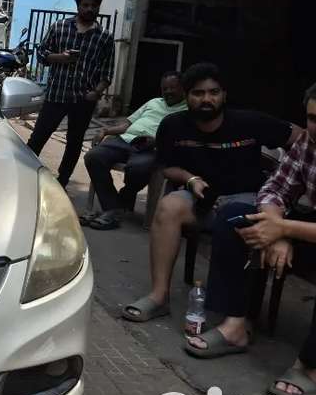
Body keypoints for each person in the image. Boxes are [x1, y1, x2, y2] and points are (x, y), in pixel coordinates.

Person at [123, 62, 303, 322]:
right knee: (169, 207)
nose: (207, 99)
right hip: (201, 199)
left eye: (213, 92)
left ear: (224, 95)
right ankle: (158, 296)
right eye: (198, 93)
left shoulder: (249, 121)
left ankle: (236, 316)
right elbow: (167, 166)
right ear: (187, 96)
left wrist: (294, 173)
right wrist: (190, 179)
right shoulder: (173, 125)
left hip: (246, 203)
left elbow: (298, 137)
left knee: (235, 215)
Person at [185, 84, 316, 395]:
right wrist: (276, 228)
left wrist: (283, 228)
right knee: (235, 217)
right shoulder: (309, 143)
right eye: (313, 118)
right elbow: (276, 187)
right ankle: (236, 326)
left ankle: (311, 367)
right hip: (304, 224)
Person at [27, 0, 115, 187]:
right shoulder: (59, 27)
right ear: (78, 5)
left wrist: (97, 92)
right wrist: (61, 58)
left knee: (74, 144)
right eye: (85, 5)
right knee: (38, 137)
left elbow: (107, 71)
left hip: (83, 99)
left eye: (94, 6)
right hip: (56, 94)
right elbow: (41, 54)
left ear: (99, 7)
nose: (90, 9)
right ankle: (26, 173)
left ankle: (63, 181)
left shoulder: (104, 37)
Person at [81, 72, 187, 230]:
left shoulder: (187, 110)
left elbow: (182, 138)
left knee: (138, 168)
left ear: (183, 88)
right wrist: (106, 131)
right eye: (165, 88)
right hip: (124, 140)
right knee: (93, 157)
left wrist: (158, 141)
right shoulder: (153, 102)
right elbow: (127, 124)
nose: (168, 92)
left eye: (173, 88)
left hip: (151, 147)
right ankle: (113, 208)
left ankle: (118, 203)